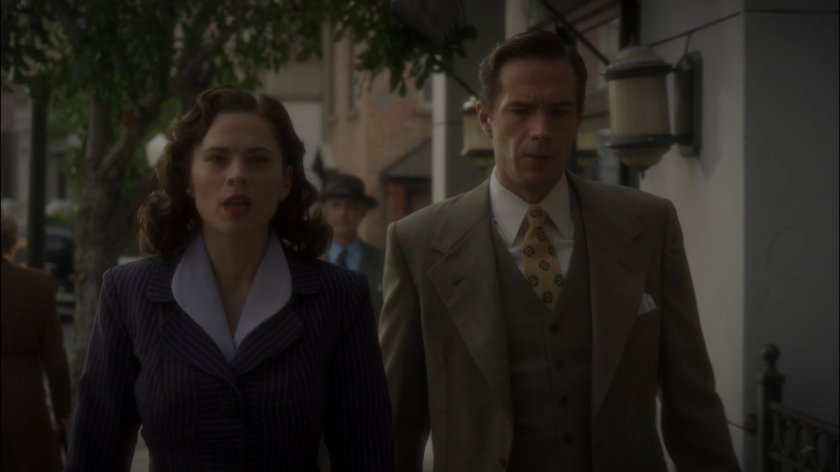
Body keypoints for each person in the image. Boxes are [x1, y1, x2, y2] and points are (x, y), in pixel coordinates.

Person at [379, 30, 740, 471]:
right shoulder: (419, 244)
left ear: (579, 117)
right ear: (486, 118)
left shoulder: (647, 225)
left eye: (558, 111)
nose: (541, 130)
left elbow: (692, 401)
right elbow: (397, 420)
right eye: (521, 110)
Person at [65, 85, 395, 471]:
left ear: (286, 181)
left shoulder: (338, 297)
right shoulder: (129, 293)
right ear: (188, 177)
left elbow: (366, 451)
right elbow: (94, 450)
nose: (237, 175)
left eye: (257, 160)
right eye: (217, 159)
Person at [1, 210, 72, 472]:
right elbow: (55, 359)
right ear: (11, 241)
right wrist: (64, 413)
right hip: (26, 406)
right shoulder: (37, 285)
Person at [321, 173, 385, 319]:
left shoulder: (384, 263)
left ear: (363, 212)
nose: (342, 214)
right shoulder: (308, 262)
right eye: (336, 205)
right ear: (325, 210)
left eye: (350, 207)